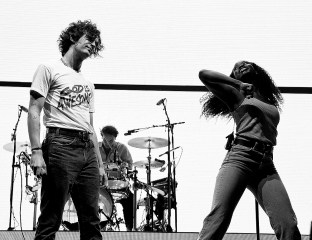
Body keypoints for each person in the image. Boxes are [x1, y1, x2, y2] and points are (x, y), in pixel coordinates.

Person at [197, 61, 301, 240]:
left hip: (266, 165)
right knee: (219, 219)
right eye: (236, 67)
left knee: (288, 224)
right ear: (234, 77)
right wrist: (237, 84)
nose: (241, 65)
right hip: (240, 158)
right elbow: (203, 74)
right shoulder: (236, 94)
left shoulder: (267, 100)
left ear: (257, 71)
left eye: (246, 63)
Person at [27, 20, 107, 240]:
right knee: (51, 218)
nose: (92, 44)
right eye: (89, 39)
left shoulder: (88, 84)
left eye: (95, 42)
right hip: (60, 144)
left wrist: (99, 163)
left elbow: (90, 126)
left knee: (92, 220)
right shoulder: (49, 68)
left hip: (87, 150)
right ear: (73, 38)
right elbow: (34, 109)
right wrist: (36, 151)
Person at [98, 125, 134, 231]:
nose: (107, 142)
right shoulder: (95, 148)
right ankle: (97, 229)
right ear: (101, 136)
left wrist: (125, 166)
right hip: (100, 185)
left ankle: (129, 229)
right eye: (104, 139)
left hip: (118, 185)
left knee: (130, 199)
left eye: (111, 140)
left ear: (115, 138)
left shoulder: (122, 148)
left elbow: (130, 165)